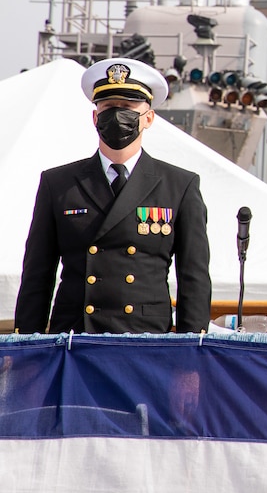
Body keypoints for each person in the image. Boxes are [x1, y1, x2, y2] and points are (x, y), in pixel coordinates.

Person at [15, 58, 211, 333]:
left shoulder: (179, 185)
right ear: (95, 117)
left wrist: (192, 352)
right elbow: (37, 274)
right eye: (108, 108)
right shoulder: (58, 184)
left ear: (149, 118)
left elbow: (194, 278)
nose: (117, 116)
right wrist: (27, 345)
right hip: (76, 339)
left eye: (128, 108)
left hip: (145, 341)